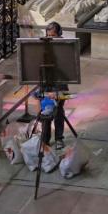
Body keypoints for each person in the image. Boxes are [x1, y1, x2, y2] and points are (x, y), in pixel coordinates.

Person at [37, 21, 66, 149]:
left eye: (53, 36)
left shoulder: (65, 48)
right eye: (48, 36)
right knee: (45, 108)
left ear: (59, 35)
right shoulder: (43, 49)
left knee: (58, 109)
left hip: (60, 87)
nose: (50, 39)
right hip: (46, 85)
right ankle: (45, 139)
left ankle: (59, 138)